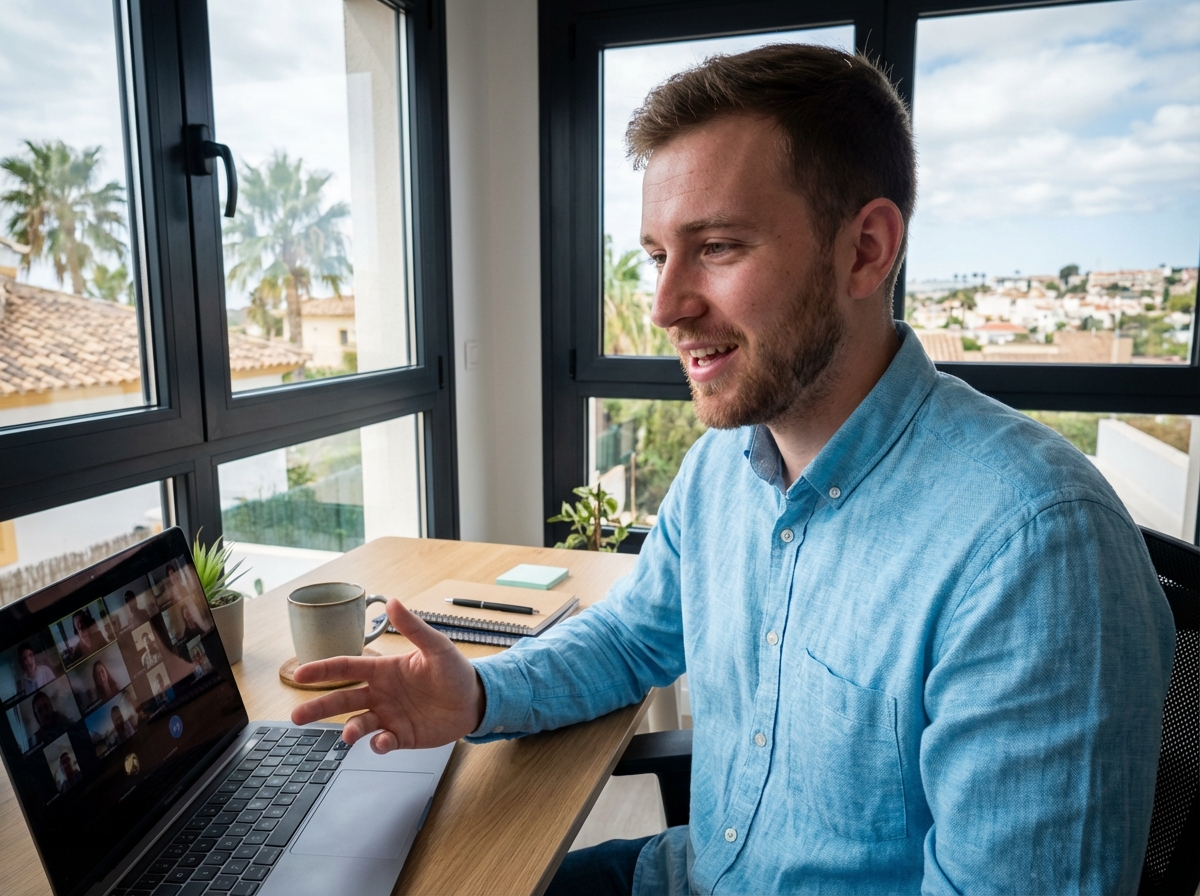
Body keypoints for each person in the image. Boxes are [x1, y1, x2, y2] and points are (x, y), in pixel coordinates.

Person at [290, 44, 1175, 895]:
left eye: (717, 247)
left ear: (866, 249)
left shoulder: (1036, 551)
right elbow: (636, 635)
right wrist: (478, 694)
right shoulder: (725, 464)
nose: (668, 305)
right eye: (656, 256)